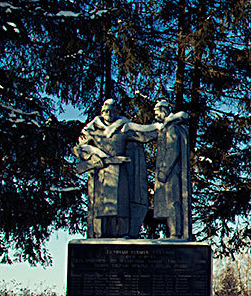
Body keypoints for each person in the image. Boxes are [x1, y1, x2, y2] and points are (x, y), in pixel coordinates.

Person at [72, 99, 150, 238]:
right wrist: (91, 157)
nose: (109, 113)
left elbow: (144, 135)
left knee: (122, 206)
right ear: (102, 112)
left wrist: (162, 126)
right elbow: (78, 149)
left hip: (121, 171)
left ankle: (122, 234)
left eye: (112, 111)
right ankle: (100, 234)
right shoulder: (92, 129)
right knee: (102, 207)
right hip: (101, 172)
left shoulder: (124, 127)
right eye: (106, 111)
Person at [152, 99, 191, 239]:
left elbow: (173, 151)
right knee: (168, 203)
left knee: (173, 201)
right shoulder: (166, 127)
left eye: (157, 112)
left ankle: (176, 232)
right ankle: (173, 232)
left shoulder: (171, 128)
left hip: (171, 173)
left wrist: (164, 171)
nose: (156, 115)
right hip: (168, 173)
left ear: (164, 111)